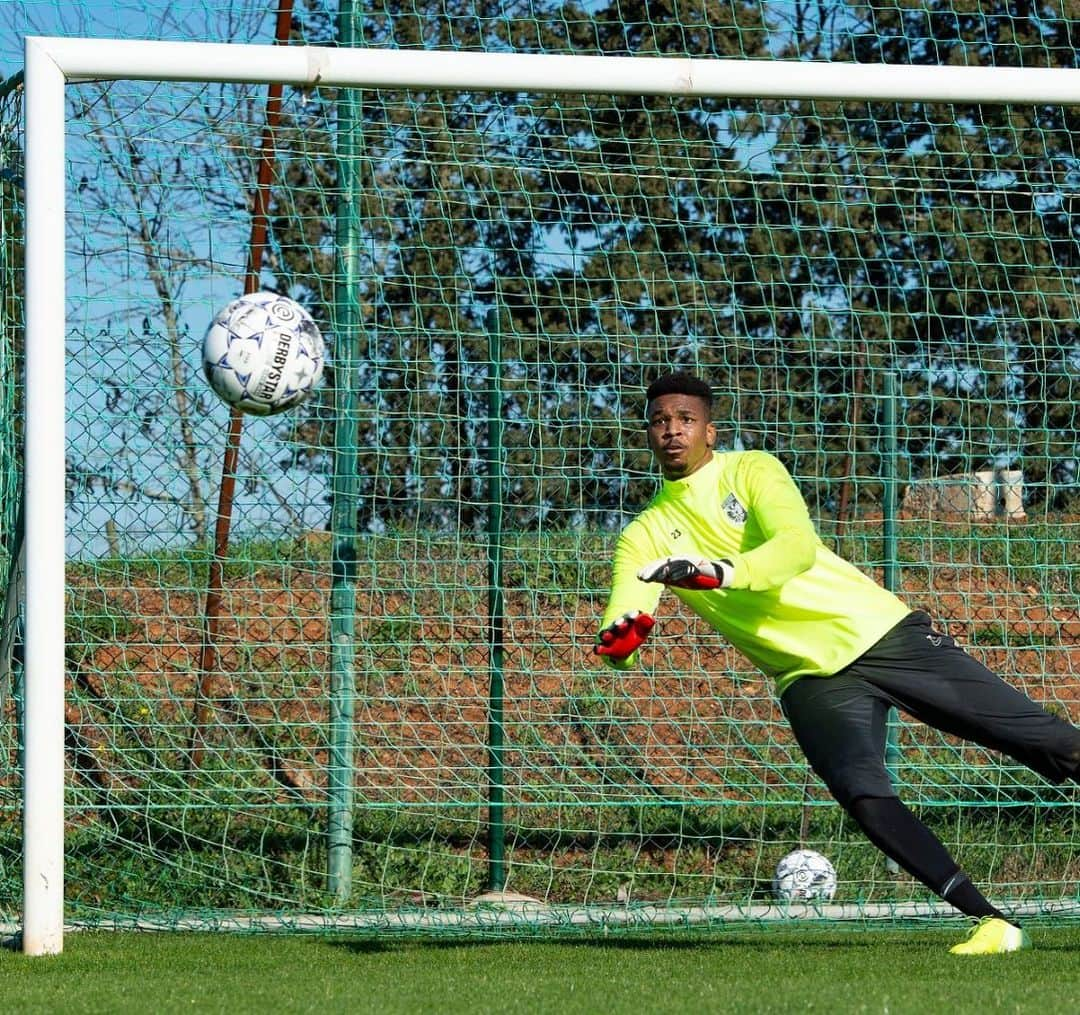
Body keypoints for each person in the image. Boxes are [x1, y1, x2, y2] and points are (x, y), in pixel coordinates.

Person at [594, 369, 1080, 955]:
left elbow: (794, 549)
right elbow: (627, 608)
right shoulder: (642, 534)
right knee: (864, 796)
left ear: (710, 431)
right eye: (659, 421)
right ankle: (991, 922)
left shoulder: (752, 471)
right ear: (647, 434)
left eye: (684, 419)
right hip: (809, 678)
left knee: (1046, 740)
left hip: (880, 633)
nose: (671, 430)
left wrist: (716, 571)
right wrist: (621, 640)